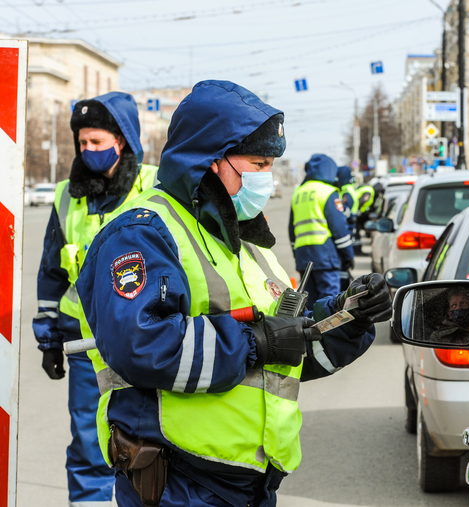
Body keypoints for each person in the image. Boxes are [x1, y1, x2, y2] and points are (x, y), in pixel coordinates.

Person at [74, 80, 392, 507]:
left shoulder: (250, 245)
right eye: (258, 164)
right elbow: (142, 345)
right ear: (208, 161)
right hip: (178, 482)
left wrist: (348, 316)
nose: (268, 179)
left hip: (251, 483)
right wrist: (256, 342)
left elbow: (289, 352)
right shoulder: (144, 233)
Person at [33, 91, 158, 506]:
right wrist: (49, 334)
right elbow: (52, 270)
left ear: (121, 141)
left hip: (149, 338)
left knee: (150, 441)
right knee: (89, 443)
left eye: (97, 143)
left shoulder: (155, 186)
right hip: (85, 346)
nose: (87, 151)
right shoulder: (68, 195)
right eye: (82, 143)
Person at [289, 154, 354, 310]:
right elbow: (339, 228)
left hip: (303, 256)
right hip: (325, 256)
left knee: (309, 301)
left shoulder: (298, 193)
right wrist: (348, 255)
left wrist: (296, 254)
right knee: (329, 301)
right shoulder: (328, 191)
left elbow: (292, 230)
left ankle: (311, 333)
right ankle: (327, 334)